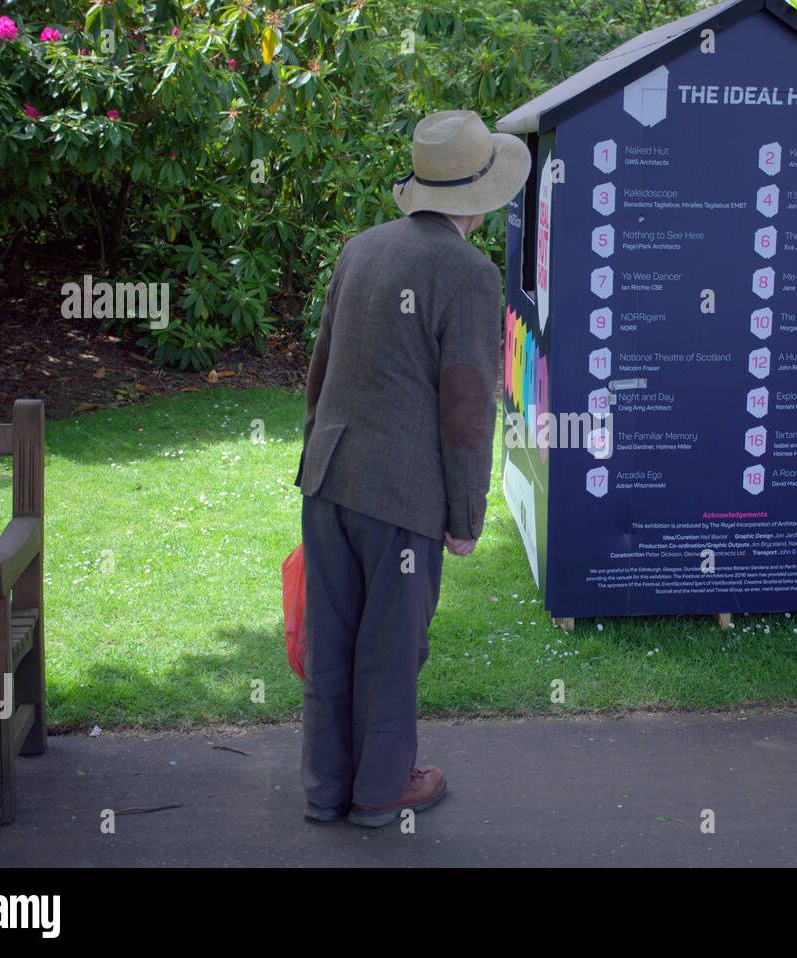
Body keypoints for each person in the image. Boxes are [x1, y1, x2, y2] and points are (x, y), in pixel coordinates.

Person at [294, 110, 530, 828]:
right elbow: (465, 406)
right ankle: (380, 791)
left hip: (328, 478)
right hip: (399, 496)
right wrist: (464, 518)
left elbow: (322, 367)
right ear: (483, 196)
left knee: (333, 639)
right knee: (391, 651)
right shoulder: (468, 270)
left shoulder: (360, 248)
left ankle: (325, 789)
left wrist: (314, 456)